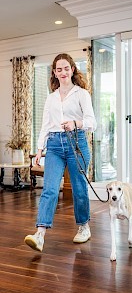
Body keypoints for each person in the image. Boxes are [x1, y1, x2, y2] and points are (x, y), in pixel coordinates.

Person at [24, 53, 97, 252]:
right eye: (59, 69)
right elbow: (45, 125)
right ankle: (40, 234)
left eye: (66, 68)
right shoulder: (51, 98)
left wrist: (76, 123)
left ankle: (83, 227)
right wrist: (40, 149)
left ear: (72, 69)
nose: (63, 72)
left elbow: (92, 122)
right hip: (54, 145)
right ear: (54, 73)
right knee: (49, 189)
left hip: (77, 143)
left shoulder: (82, 94)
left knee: (79, 189)